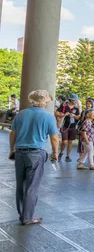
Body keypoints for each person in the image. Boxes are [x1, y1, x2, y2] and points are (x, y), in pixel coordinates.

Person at [9, 90, 59, 225]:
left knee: (21, 185)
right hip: (36, 153)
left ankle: (22, 214)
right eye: (48, 101)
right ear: (44, 102)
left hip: (19, 152)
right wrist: (55, 152)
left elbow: (12, 134)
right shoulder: (48, 117)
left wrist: (12, 149)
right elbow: (54, 137)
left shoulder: (21, 114)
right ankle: (28, 217)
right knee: (32, 186)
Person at [56, 94, 81, 162]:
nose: (76, 101)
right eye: (74, 100)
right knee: (64, 142)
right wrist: (64, 114)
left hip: (73, 126)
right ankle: (61, 153)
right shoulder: (64, 106)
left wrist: (74, 116)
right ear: (71, 99)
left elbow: (79, 117)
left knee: (70, 142)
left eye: (76, 100)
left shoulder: (76, 108)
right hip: (65, 126)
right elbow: (56, 113)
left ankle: (68, 156)